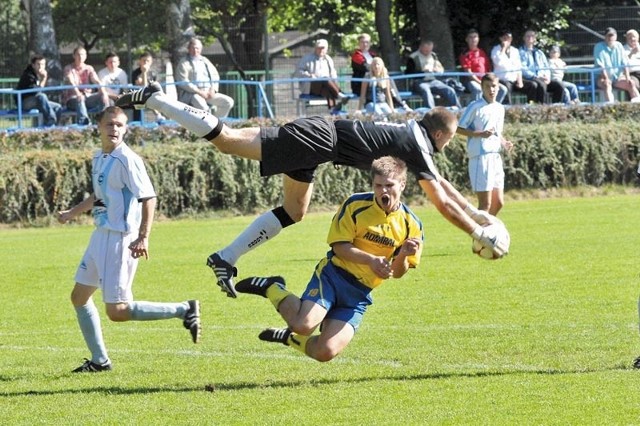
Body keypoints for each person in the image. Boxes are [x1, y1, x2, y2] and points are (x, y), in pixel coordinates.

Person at [115, 83, 509, 298]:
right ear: (442, 135)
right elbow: (440, 200)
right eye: (449, 140)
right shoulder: (418, 145)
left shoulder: (415, 136)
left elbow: (441, 185)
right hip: (319, 139)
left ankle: (225, 258)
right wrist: (477, 232)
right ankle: (157, 99)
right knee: (229, 140)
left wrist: (478, 215)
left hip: (321, 143)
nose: (446, 146)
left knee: (294, 210)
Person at [233, 156, 423, 362]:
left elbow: (397, 273)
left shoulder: (410, 224)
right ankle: (272, 287)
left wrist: (403, 254)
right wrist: (371, 260)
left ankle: (288, 339)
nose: (383, 191)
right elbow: (339, 246)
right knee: (303, 326)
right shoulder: (356, 205)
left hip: (359, 294)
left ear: (402, 185)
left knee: (325, 352)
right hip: (333, 277)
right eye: (378, 185)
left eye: (389, 185)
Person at [57, 106, 201, 373]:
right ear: (98, 127)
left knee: (118, 311)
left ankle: (184, 309)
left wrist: (143, 237)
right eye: (110, 124)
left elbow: (149, 197)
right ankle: (100, 361)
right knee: (79, 297)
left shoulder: (127, 159)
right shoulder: (99, 157)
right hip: (99, 236)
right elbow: (99, 195)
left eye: (120, 125)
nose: (115, 129)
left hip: (120, 240)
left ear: (126, 129)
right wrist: (71, 213)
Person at [456, 73, 514, 216]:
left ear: (498, 87)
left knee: (499, 202)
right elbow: (458, 128)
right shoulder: (475, 106)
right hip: (480, 157)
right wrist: (479, 134)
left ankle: (486, 231)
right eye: (487, 86)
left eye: (494, 86)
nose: (491, 90)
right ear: (482, 88)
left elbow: (497, 132)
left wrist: (504, 142)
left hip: (495, 157)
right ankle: (479, 234)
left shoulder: (500, 108)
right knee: (485, 204)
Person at [176, 37, 234, 118]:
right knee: (204, 108)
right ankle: (207, 127)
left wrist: (213, 89)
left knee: (228, 102)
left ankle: (217, 124)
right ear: (188, 49)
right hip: (192, 93)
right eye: (193, 48)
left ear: (201, 49)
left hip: (208, 92)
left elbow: (215, 75)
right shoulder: (184, 62)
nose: (195, 50)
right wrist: (199, 91)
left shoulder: (205, 60)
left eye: (197, 48)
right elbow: (183, 81)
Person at [296, 38, 350, 114]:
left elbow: (333, 74)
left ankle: (333, 110)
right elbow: (298, 72)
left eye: (323, 48)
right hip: (311, 86)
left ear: (326, 49)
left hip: (325, 86)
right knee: (325, 79)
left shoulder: (328, 59)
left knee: (328, 90)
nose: (321, 50)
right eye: (319, 48)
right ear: (315, 48)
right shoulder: (306, 58)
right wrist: (309, 75)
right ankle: (339, 95)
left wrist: (334, 81)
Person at [405, 40, 461, 109]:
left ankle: (458, 109)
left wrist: (438, 70)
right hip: (419, 81)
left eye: (429, 50)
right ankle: (432, 111)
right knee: (426, 91)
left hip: (433, 81)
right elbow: (408, 73)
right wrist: (422, 72)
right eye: (426, 51)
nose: (427, 53)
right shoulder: (413, 57)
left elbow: (440, 67)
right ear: (420, 47)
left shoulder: (433, 55)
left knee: (450, 90)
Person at [62, 46, 109, 125]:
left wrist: (103, 92)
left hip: (87, 97)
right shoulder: (68, 68)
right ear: (74, 56)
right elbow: (71, 82)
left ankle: (103, 121)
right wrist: (78, 93)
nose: (80, 57)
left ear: (86, 56)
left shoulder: (89, 68)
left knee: (103, 97)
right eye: (78, 55)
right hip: (72, 99)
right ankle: (84, 123)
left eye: (83, 55)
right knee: (79, 99)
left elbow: (96, 80)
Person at [458, 29, 507, 103]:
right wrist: (481, 82)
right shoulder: (465, 54)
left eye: (475, 37)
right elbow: (469, 74)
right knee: (477, 89)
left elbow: (488, 70)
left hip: (486, 79)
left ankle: (492, 106)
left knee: (503, 89)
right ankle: (477, 109)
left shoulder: (482, 52)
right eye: (470, 37)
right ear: (466, 39)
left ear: (478, 39)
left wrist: (493, 80)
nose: (473, 39)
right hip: (471, 81)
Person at [594, 27, 640, 103]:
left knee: (631, 83)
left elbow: (624, 63)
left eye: (612, 35)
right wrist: (606, 78)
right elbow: (600, 66)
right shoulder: (598, 47)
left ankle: (637, 106)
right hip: (601, 77)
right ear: (605, 37)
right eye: (608, 35)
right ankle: (611, 106)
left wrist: (628, 78)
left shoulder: (619, 45)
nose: (610, 38)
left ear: (616, 37)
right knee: (607, 84)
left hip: (617, 78)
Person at [491, 30, 537, 105]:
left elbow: (518, 66)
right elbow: (499, 62)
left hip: (514, 80)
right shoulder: (496, 50)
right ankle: (508, 108)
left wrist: (520, 81)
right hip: (503, 79)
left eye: (509, 38)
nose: (507, 40)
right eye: (504, 38)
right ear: (500, 38)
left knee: (532, 85)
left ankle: (530, 105)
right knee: (507, 86)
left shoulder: (515, 51)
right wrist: (503, 49)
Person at [519, 29, 565, 104]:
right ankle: (542, 108)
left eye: (532, 36)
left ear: (535, 39)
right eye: (528, 36)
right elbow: (522, 68)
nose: (530, 37)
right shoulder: (520, 52)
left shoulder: (539, 53)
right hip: (529, 79)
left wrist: (547, 77)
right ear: (524, 38)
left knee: (559, 85)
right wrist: (535, 77)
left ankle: (556, 107)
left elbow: (546, 67)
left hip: (542, 78)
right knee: (540, 84)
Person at [15, 55, 62, 127]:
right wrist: (44, 79)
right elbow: (37, 92)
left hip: (37, 101)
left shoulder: (39, 74)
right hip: (24, 102)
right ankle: (51, 121)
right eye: (38, 64)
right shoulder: (28, 75)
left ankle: (54, 128)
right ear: (33, 65)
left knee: (58, 107)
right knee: (42, 96)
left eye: (43, 64)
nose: (41, 67)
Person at [131, 52, 162, 122]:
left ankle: (160, 117)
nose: (145, 62)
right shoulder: (135, 73)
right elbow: (143, 87)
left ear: (151, 62)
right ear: (140, 61)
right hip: (138, 97)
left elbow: (155, 87)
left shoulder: (153, 73)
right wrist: (144, 72)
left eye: (148, 61)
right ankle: (157, 115)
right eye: (143, 60)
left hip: (150, 96)